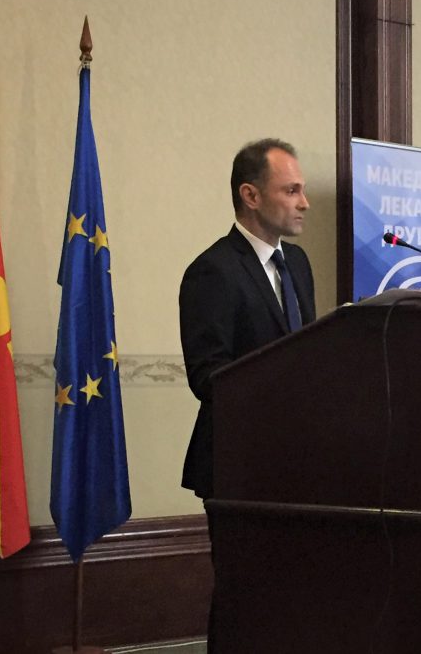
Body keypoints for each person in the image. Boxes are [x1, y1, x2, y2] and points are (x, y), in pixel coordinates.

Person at [178, 138, 316, 650]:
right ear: (251, 195)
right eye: (291, 190)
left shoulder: (297, 264)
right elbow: (207, 374)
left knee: (290, 596)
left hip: (296, 463)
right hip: (238, 466)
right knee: (244, 596)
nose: (304, 202)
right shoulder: (213, 270)